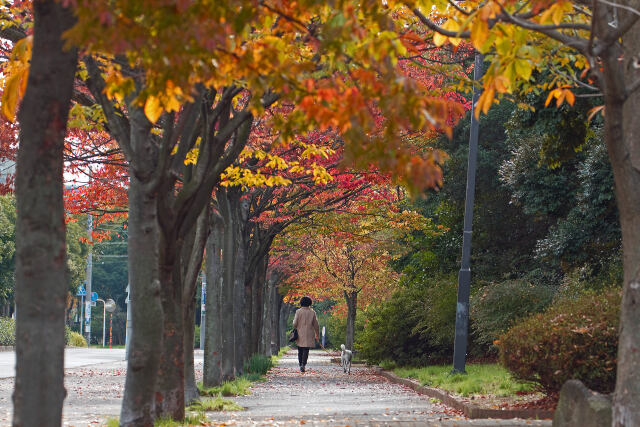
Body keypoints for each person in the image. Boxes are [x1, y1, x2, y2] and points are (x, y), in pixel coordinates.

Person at [292, 296, 319, 372]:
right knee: (306, 349)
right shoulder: (312, 312)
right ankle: (304, 364)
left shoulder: (298, 311)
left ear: (301, 302)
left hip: (300, 333)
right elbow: (316, 325)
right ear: (310, 303)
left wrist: (296, 326)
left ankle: (300, 364)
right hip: (309, 333)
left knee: (300, 349)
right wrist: (317, 334)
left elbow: (294, 323)